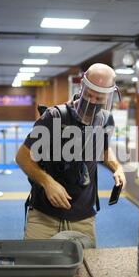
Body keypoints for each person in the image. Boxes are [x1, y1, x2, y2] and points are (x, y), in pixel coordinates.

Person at [16, 63, 126, 248]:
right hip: (44, 215)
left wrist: (117, 167)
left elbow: (104, 149)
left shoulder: (105, 120)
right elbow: (22, 157)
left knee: (84, 272)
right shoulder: (54, 117)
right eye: (89, 94)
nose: (92, 101)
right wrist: (47, 182)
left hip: (84, 217)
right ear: (81, 86)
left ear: (109, 95)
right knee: (34, 267)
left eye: (98, 98)